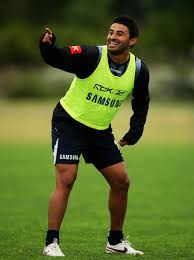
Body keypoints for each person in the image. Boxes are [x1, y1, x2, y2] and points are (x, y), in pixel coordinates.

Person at [40, 15, 150, 257]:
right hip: (68, 123)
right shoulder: (91, 56)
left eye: (119, 33)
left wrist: (135, 131)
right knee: (67, 179)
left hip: (99, 130)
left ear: (132, 41)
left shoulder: (139, 70)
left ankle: (115, 241)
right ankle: (51, 242)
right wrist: (47, 45)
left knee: (121, 181)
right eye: (111, 32)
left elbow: (141, 102)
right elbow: (57, 57)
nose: (112, 36)